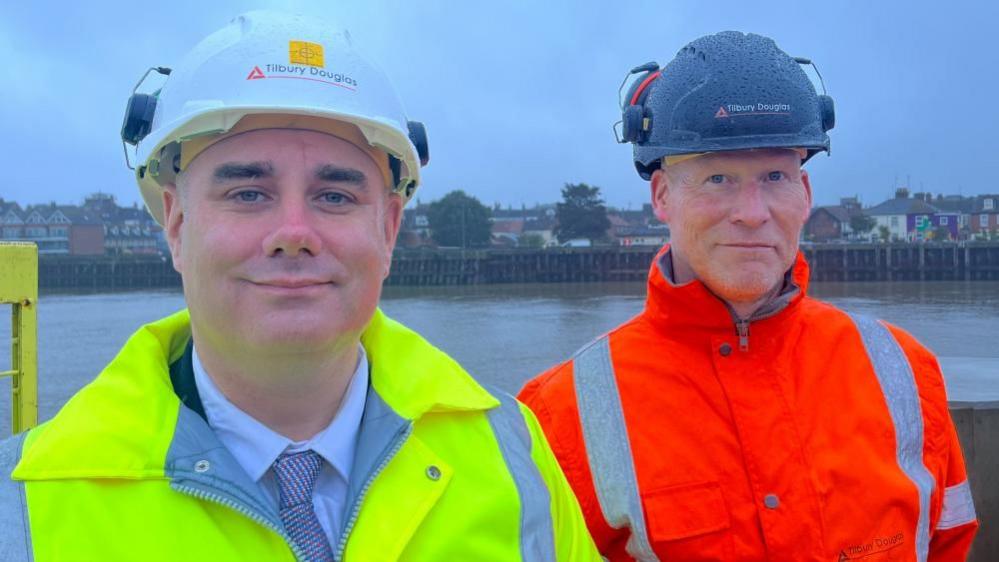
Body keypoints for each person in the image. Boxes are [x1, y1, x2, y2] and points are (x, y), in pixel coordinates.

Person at [0, 11, 598, 561]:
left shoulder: (514, 455)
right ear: (176, 225)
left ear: (388, 229)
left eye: (334, 196)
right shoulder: (23, 505)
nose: (294, 233)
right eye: (248, 193)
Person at [519, 31, 978, 561]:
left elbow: (948, 542)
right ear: (662, 196)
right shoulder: (561, 411)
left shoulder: (905, 371)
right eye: (718, 177)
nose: (753, 211)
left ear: (804, 194)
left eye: (775, 175)